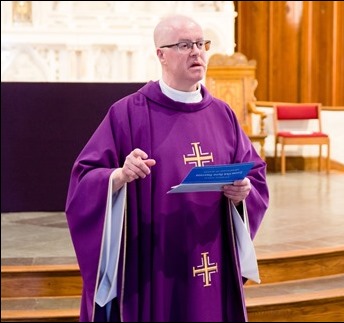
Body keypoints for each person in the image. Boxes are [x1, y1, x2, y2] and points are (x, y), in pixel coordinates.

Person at [65, 14, 269, 322]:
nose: (197, 52)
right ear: (161, 54)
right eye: (185, 45)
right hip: (154, 264)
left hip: (210, 254)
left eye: (201, 44)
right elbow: (84, 180)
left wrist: (243, 193)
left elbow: (253, 175)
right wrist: (119, 176)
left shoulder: (222, 114)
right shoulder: (128, 114)